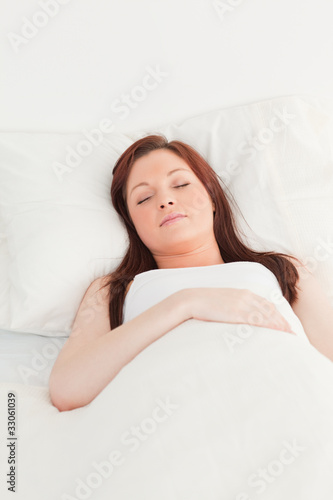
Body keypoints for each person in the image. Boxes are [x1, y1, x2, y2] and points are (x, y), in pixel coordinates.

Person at [49, 134, 305, 412]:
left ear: (213, 198)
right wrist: (186, 303)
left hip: (285, 402)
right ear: (132, 225)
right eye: (144, 198)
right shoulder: (114, 290)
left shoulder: (280, 271)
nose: (166, 201)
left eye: (181, 184)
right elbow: (67, 390)